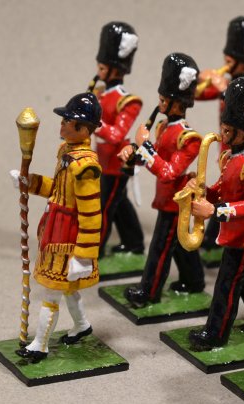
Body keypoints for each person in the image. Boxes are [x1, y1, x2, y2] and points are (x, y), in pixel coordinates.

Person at [10, 93, 103, 362]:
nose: (61, 125)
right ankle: (83, 325)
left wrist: (84, 256)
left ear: (84, 129)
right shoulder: (66, 153)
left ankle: (39, 344)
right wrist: (30, 182)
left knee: (52, 291)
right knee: (68, 288)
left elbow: (90, 212)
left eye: (68, 121)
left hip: (69, 236)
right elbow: (58, 190)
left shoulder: (86, 167)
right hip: (56, 228)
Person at [186, 78, 244, 351]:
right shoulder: (229, 159)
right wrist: (202, 190)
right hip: (235, 235)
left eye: (228, 131)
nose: (222, 135)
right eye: (223, 129)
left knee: (226, 287)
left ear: (242, 132)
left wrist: (214, 211)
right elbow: (222, 190)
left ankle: (216, 333)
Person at [119, 53, 205, 307]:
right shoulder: (164, 128)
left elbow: (168, 171)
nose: (160, 104)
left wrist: (144, 147)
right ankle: (194, 280)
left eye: (164, 100)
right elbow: (152, 158)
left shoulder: (188, 138)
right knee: (178, 244)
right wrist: (133, 154)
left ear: (178, 104)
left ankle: (149, 291)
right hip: (166, 198)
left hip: (176, 202)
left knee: (160, 248)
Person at [195, 16, 244, 265]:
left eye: (230, 58)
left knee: (233, 193)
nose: (225, 62)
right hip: (226, 147)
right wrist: (197, 79)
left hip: (241, 148)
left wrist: (223, 88)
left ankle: (215, 234)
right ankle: (213, 235)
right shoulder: (224, 81)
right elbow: (194, 95)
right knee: (226, 189)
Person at [93, 21, 144, 257]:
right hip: (103, 160)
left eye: (103, 67)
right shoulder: (101, 94)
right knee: (120, 203)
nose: (99, 70)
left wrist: (92, 121)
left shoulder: (128, 101)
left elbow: (115, 135)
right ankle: (134, 242)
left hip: (116, 162)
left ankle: (97, 249)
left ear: (116, 69)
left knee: (105, 206)